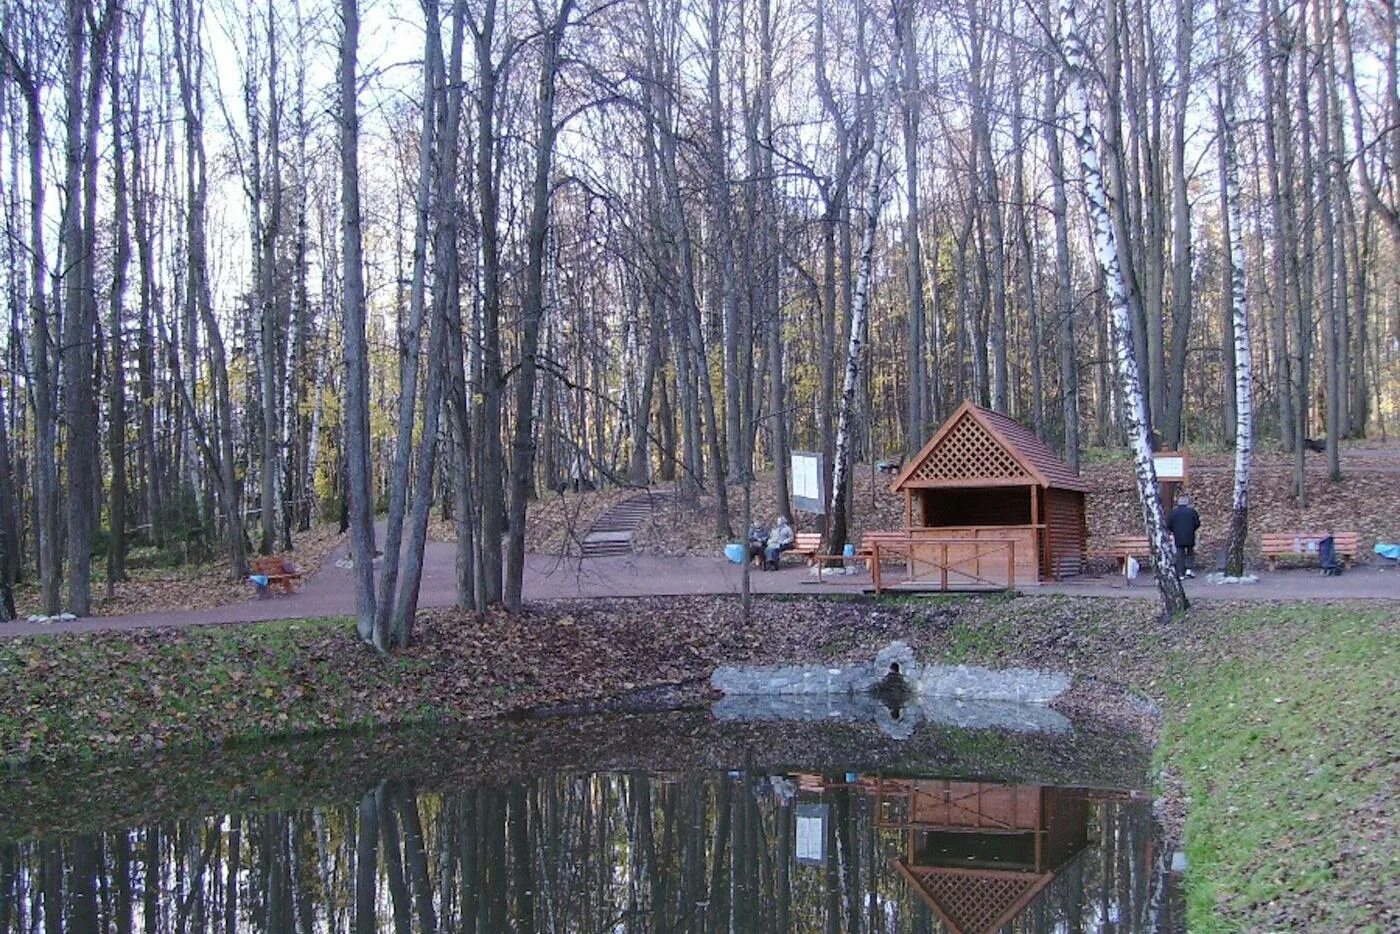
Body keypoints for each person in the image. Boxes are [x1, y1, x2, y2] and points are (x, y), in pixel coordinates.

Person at [1166, 494, 1201, 579]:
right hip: (1190, 534)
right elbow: (1197, 523)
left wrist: (1173, 531)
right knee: (1190, 552)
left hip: (1178, 535)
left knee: (1180, 554)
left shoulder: (1174, 512)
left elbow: (1169, 524)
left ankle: (1180, 573)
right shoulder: (1192, 511)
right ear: (1187, 503)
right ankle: (1189, 569)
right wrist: (1192, 529)